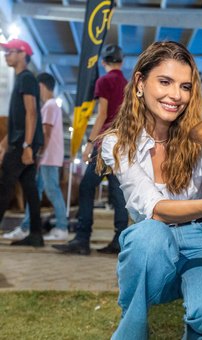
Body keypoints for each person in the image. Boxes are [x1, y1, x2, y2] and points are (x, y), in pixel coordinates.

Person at [99, 41, 202, 339]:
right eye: (165, 82)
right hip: (152, 242)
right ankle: (132, 330)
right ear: (139, 82)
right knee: (148, 236)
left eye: (185, 86)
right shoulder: (117, 143)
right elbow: (157, 210)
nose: (176, 95)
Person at [52, 44, 128, 255]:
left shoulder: (104, 81)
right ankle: (120, 240)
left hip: (104, 144)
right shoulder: (128, 84)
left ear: (104, 62)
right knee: (117, 192)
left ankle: (82, 239)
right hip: (122, 144)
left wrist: (89, 143)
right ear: (121, 62)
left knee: (86, 188)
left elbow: (102, 114)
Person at [3, 72, 69, 241]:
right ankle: (27, 226)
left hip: (47, 156)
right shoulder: (53, 105)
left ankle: (62, 227)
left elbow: (46, 134)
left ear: (40, 86)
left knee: (52, 190)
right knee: (36, 192)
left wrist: (38, 155)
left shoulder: (49, 106)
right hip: (50, 156)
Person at [0, 39, 44, 247]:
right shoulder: (21, 79)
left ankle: (36, 233)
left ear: (22, 54)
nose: (6, 55)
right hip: (20, 142)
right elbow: (19, 118)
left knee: (4, 185)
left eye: (10, 51)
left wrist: (27, 146)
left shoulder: (26, 78)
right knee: (29, 188)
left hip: (23, 146)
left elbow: (32, 112)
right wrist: (5, 141)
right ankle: (36, 234)